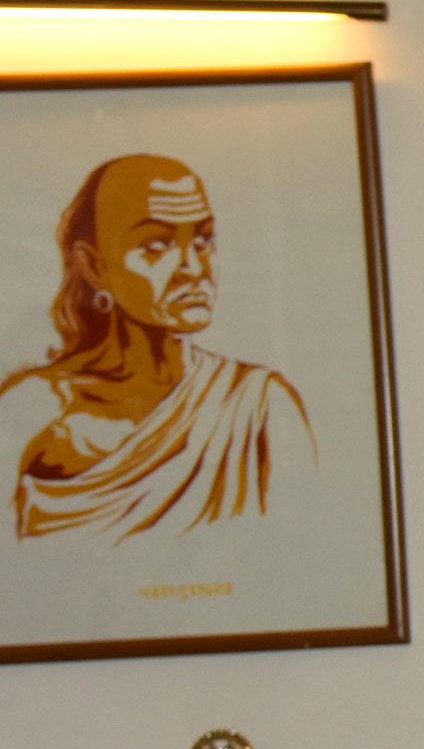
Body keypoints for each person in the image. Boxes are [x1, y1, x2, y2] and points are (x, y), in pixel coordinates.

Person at [3, 154, 315, 540]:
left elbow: (306, 556)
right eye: (157, 244)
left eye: (204, 240)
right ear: (94, 266)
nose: (194, 267)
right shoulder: (33, 408)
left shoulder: (260, 403)